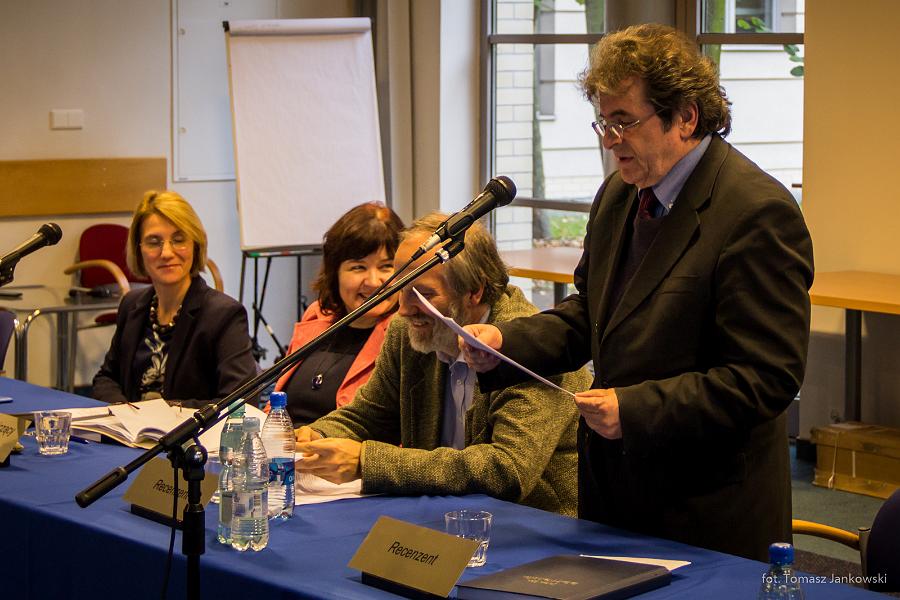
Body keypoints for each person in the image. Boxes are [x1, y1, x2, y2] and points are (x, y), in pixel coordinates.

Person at [462, 23, 814, 560]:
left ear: (685, 117)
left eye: (624, 122)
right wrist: (505, 343)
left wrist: (634, 409)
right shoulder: (620, 194)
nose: (609, 140)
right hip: (615, 498)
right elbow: (590, 314)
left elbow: (766, 377)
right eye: (603, 122)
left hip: (706, 512)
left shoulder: (756, 212)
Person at [294, 214, 590, 515]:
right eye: (401, 288)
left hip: (534, 525)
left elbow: (505, 470)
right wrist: (313, 438)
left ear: (473, 290)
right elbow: (369, 416)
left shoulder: (529, 346)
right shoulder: (408, 332)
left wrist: (365, 461)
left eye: (423, 295)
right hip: (440, 517)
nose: (404, 309)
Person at [92, 190, 257, 408]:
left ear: (195, 244)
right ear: (139, 249)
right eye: (154, 242)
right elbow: (106, 378)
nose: (167, 253)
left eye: (179, 240)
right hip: (130, 428)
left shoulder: (224, 314)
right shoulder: (132, 304)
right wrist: (125, 412)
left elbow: (240, 402)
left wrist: (160, 413)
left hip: (188, 430)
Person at [273, 202, 405, 426]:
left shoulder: (405, 334)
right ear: (335, 273)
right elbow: (275, 406)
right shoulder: (316, 314)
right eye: (358, 267)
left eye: (386, 266)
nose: (374, 282)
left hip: (341, 447)